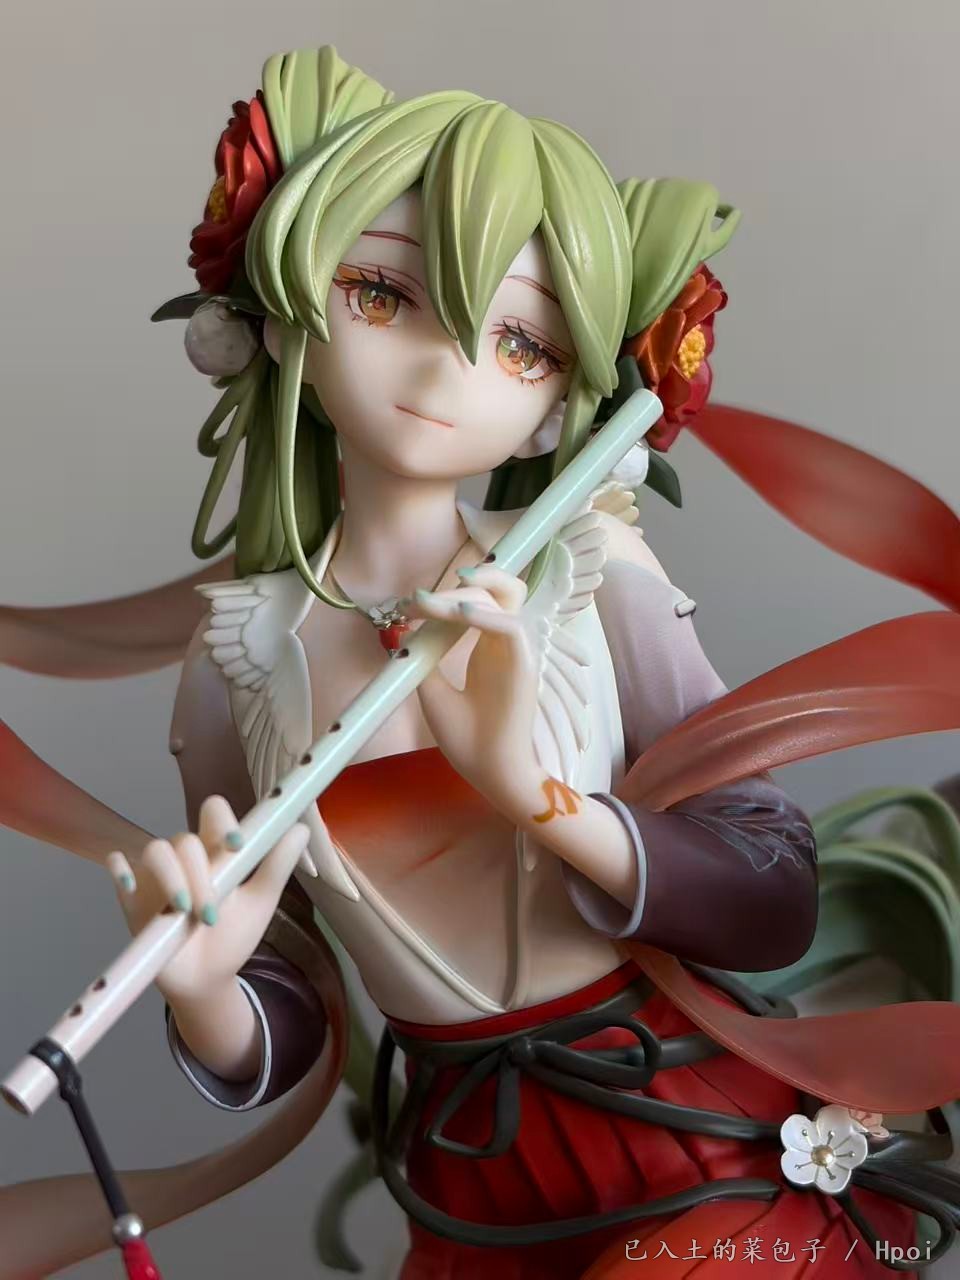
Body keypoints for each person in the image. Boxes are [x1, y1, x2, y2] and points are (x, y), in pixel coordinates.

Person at [3, 42, 960, 1280]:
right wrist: (208, 992)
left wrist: (537, 796)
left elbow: (773, 892)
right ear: (285, 307)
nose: (443, 369)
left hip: (690, 1135)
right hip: (467, 1182)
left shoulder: (585, 575)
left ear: (563, 400)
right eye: (383, 295)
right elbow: (292, 999)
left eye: (521, 344)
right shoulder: (240, 650)